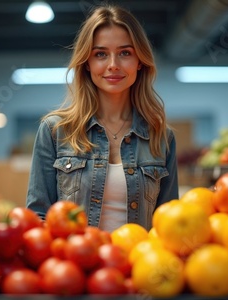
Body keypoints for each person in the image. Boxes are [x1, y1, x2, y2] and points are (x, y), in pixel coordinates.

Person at [26, 3, 178, 232]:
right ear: (87, 63)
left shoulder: (162, 137)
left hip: (139, 265)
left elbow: (170, 225)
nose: (113, 65)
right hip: (75, 264)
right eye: (101, 54)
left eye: (125, 53)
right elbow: (37, 218)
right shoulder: (55, 131)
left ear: (140, 62)